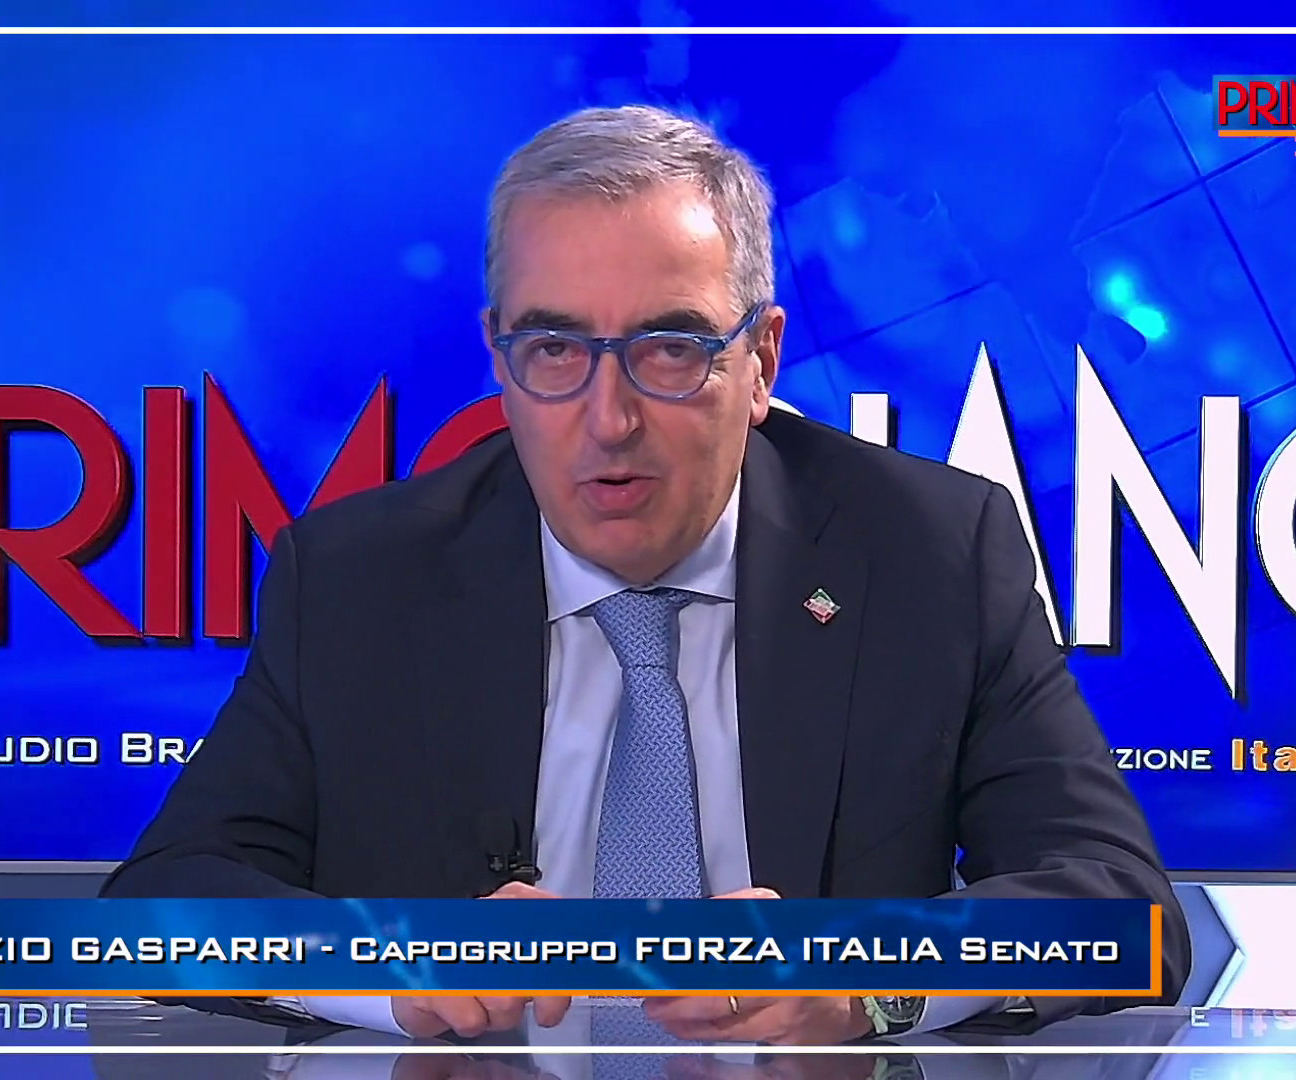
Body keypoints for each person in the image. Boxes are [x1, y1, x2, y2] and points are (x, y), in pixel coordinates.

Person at [100, 103, 1190, 1044]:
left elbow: (1124, 915)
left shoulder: (929, 552)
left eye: (671, 349)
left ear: (760, 362)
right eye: (555, 350)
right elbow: (160, 911)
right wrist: (386, 965)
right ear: (499, 359)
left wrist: (870, 977)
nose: (609, 420)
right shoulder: (358, 578)